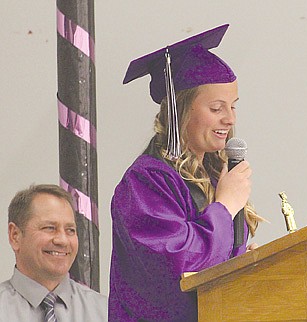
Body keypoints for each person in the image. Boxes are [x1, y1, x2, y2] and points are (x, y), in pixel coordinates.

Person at [109, 24, 263, 322]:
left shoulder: (216, 175)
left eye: (233, 107)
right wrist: (226, 206)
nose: (230, 119)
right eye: (217, 108)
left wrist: (244, 265)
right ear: (182, 112)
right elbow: (179, 262)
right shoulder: (146, 182)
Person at [0, 184, 107, 321]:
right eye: (50, 228)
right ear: (15, 235)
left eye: (70, 230)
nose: (62, 240)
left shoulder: (105, 312)